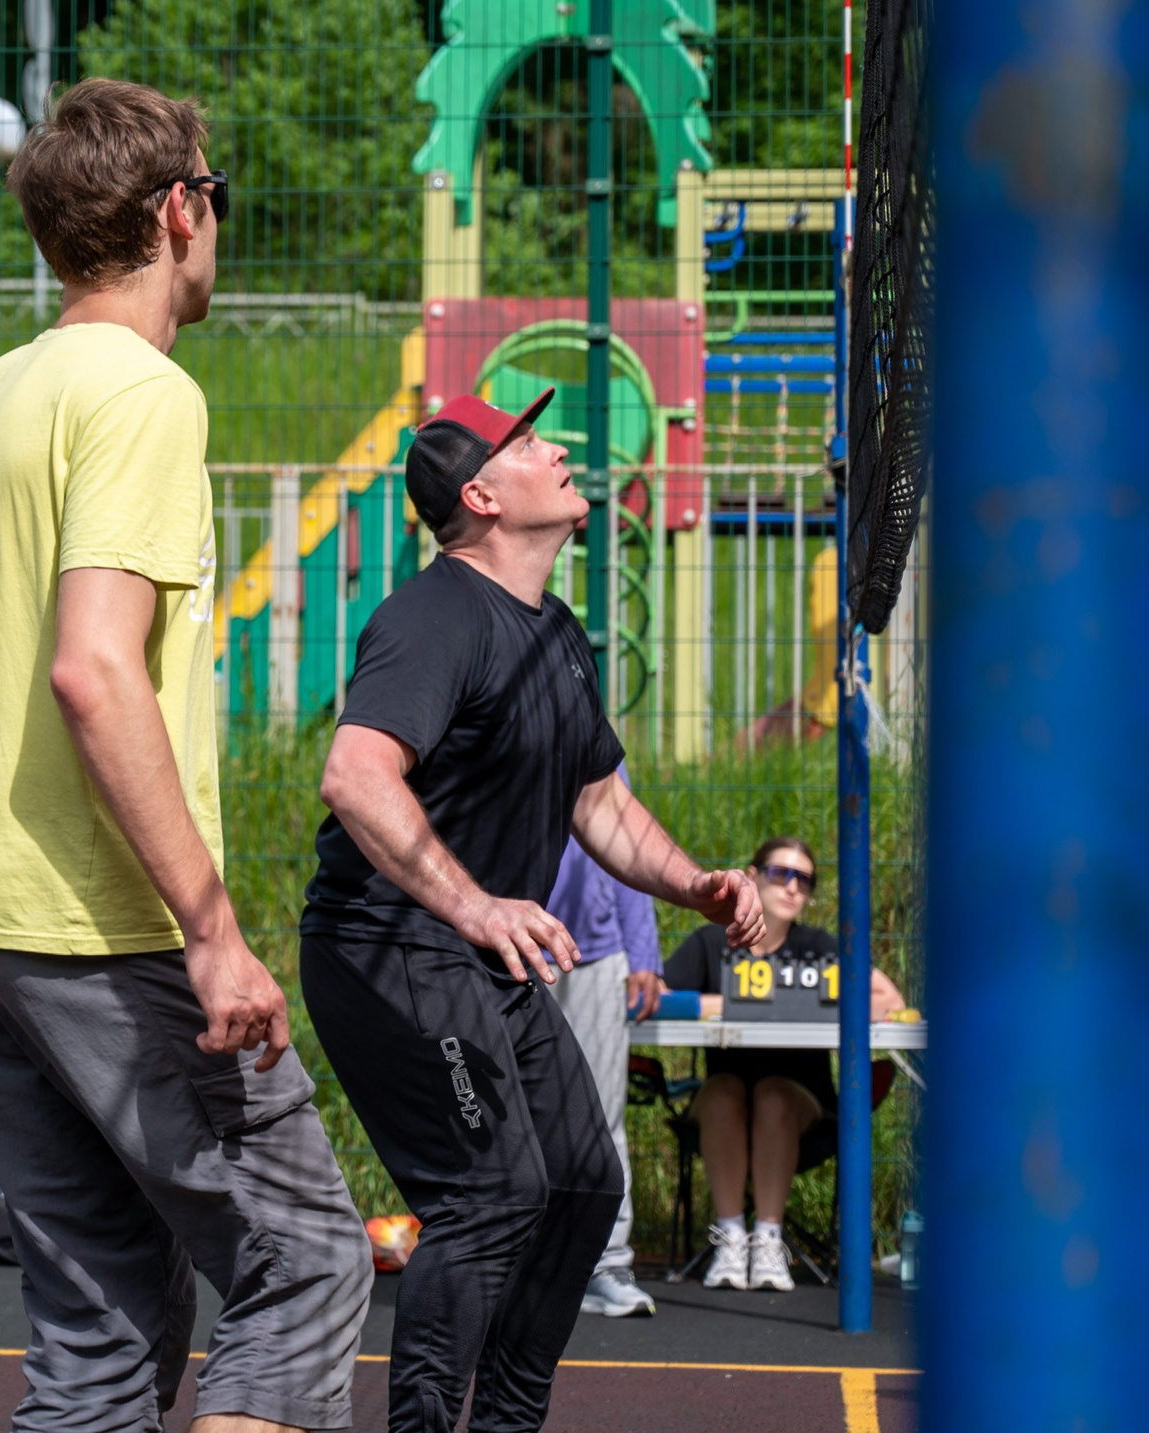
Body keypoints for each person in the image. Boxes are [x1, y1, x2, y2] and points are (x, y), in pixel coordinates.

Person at [0, 78, 372, 1433]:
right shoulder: (143, 396)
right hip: (91, 923)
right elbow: (93, 669)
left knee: (104, 1318)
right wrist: (211, 928)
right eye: (213, 196)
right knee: (306, 1262)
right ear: (178, 211)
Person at [303, 389, 765, 1433]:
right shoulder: (432, 618)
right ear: (481, 494)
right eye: (528, 441)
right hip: (392, 954)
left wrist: (694, 883)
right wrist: (472, 903)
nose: (558, 448)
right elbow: (355, 774)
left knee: (581, 1185)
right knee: (489, 1192)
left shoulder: (554, 630)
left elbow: (597, 799)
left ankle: (503, 1422)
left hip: (483, 957)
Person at [658, 836, 906, 1292]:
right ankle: (731, 1239)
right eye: (781, 873)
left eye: (805, 881)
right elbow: (658, 995)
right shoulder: (710, 943)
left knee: (772, 1092)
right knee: (725, 1090)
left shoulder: (818, 946)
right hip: (724, 1100)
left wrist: (806, 1004)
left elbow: (888, 998)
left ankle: (769, 1243)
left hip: (804, 1106)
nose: (793, 887)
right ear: (751, 878)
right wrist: (736, 1003)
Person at [544, 779, 664, 1318]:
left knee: (599, 1119)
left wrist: (643, 951)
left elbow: (623, 831)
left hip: (595, 955)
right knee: (504, 1120)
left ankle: (606, 1262)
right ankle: (512, 1265)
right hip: (502, 944)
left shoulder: (585, 717)